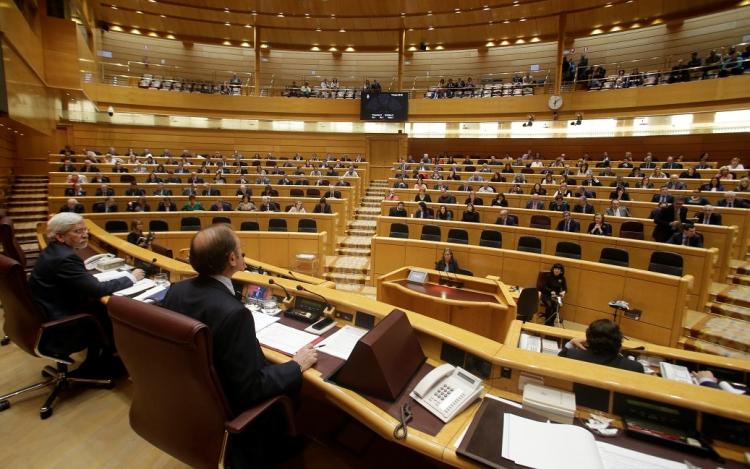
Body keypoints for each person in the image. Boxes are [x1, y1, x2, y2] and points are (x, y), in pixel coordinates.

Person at [160, 225, 317, 467]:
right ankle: (276, 446)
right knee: (293, 380)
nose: (243, 255)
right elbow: (252, 387)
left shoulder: (176, 291)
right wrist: (296, 366)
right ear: (232, 259)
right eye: (241, 251)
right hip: (230, 404)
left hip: (195, 396)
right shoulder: (234, 314)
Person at [29, 213, 145, 376]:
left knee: (101, 306)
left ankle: (99, 361)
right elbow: (96, 289)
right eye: (78, 231)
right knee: (110, 311)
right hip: (62, 325)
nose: (85, 234)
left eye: (85, 230)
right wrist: (131, 277)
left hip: (48, 313)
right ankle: (102, 365)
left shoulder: (53, 251)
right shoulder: (66, 258)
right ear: (60, 236)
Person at [558, 319, 644, 373]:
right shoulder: (634, 367)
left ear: (588, 338)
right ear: (619, 340)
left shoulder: (572, 354)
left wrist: (571, 343)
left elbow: (557, 361)